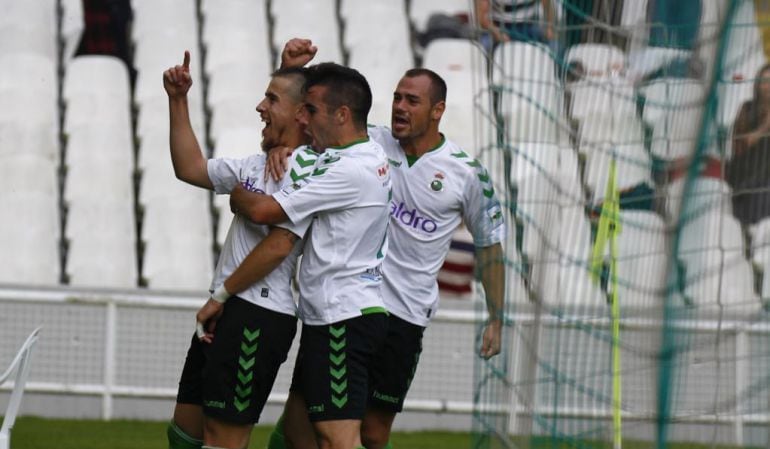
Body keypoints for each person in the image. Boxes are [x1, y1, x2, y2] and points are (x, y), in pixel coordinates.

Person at [266, 39, 507, 449]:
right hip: (349, 307)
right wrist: (282, 133)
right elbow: (305, 123)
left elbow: (489, 247)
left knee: (373, 433)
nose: (399, 107)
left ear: (437, 110)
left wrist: (497, 316)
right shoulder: (367, 144)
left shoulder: (466, 174)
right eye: (396, 97)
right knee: (300, 425)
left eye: (412, 100)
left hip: (403, 318)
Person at [228, 62, 392, 449]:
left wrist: (237, 192)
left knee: (337, 440)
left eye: (311, 110)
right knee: (296, 436)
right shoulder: (367, 152)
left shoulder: (348, 170)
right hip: (335, 316)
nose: (302, 117)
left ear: (342, 115)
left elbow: (264, 212)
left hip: (342, 320)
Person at [162, 50, 319, 449]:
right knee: (185, 434)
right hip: (229, 307)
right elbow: (190, 168)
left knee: (223, 440)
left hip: (258, 313)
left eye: (271, 99)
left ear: (301, 114)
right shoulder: (257, 163)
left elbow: (279, 246)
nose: (259, 107)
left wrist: (221, 296)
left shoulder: (311, 170)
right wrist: (178, 99)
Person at [728, 63, 770, 226]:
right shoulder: (746, 109)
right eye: (765, 81)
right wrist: (765, 128)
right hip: (749, 179)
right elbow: (740, 144)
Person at [476, 0, 556, 49]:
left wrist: (549, 28)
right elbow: (482, 18)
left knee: (555, 47)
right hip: (499, 27)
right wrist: (497, 33)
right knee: (483, 47)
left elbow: (548, 6)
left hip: (528, 27)